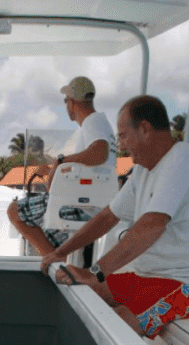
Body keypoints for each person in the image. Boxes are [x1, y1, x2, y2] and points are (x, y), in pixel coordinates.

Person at [44, 94, 189, 338]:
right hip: (150, 275)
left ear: (144, 129)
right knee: (90, 291)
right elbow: (108, 217)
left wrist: (95, 272)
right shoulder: (144, 170)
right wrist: (60, 252)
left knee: (115, 324)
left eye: (122, 136)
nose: (120, 146)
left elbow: (152, 225)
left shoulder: (183, 158)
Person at [8, 76, 116, 256]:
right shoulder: (100, 123)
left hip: (82, 207)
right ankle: (58, 261)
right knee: (46, 234)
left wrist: (61, 162)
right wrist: (57, 167)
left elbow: (100, 151)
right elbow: (90, 163)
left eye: (66, 101)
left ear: (72, 102)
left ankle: (55, 262)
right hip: (93, 205)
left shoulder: (93, 122)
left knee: (14, 211)